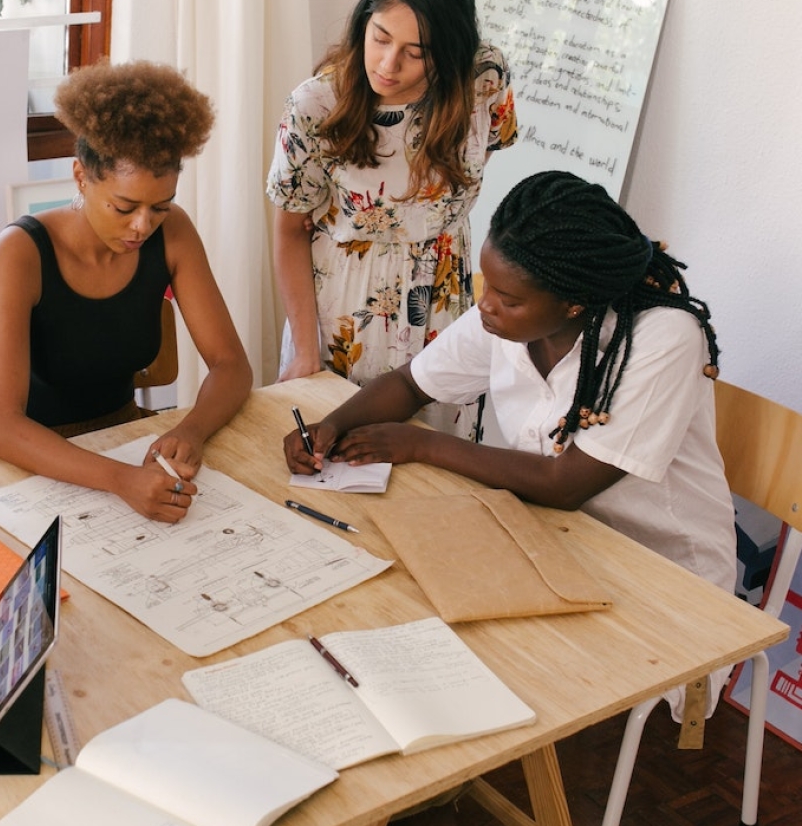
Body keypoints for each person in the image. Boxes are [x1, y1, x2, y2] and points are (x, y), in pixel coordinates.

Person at [285, 169, 737, 619]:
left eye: (508, 298)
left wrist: (421, 443)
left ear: (572, 302)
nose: (485, 303)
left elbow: (566, 484)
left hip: (667, 580)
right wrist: (332, 426)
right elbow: (409, 384)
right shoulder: (507, 318)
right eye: (489, 284)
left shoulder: (663, 337)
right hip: (556, 541)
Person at [0, 59, 253, 523]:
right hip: (28, 460)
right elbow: (2, 427)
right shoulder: (20, 252)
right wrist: (121, 480)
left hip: (123, 438)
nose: (142, 226)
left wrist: (192, 429)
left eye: (160, 207)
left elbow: (231, 365)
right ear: (81, 177)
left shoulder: (173, 234)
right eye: (124, 207)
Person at [266, 0, 517, 410]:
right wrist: (305, 351)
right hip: (346, 314)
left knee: (437, 470)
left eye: (415, 52)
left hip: (445, 307)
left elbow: (473, 166)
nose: (387, 63)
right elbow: (287, 232)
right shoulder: (316, 105)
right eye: (379, 37)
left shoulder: (484, 80)